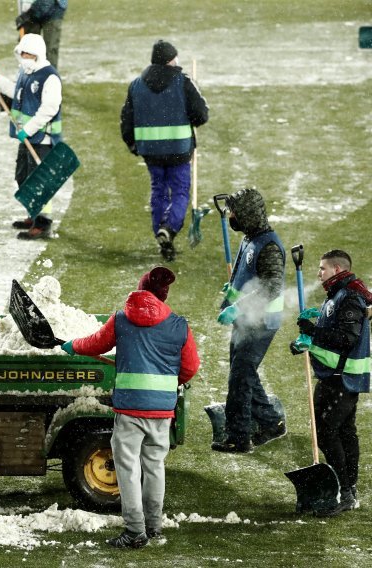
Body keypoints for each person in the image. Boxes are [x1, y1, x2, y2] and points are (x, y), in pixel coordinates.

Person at [61, 267, 200, 548]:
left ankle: (135, 531)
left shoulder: (122, 319)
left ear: (141, 288)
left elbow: (95, 344)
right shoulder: (179, 325)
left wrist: (72, 346)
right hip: (161, 412)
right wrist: (168, 380)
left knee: (127, 470)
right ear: (163, 294)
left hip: (129, 411)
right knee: (154, 468)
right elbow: (190, 368)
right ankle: (154, 526)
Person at [291, 250, 370, 516]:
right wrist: (311, 338)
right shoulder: (339, 293)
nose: (318, 272)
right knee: (345, 433)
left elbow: (345, 340)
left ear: (337, 269)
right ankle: (348, 490)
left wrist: (312, 333)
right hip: (335, 377)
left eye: (322, 268)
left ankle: (344, 491)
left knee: (327, 433)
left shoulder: (348, 296)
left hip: (342, 379)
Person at [212, 187, 286, 453]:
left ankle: (239, 437)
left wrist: (237, 306)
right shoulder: (250, 239)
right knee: (243, 371)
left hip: (261, 322)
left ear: (248, 215)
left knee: (239, 379)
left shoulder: (269, 248)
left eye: (234, 212)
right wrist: (233, 292)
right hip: (247, 319)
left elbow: (271, 288)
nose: (230, 216)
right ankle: (270, 422)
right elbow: (248, 277)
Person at [120, 40, 209, 261]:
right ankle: (169, 228)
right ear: (171, 60)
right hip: (179, 149)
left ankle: (161, 233)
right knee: (179, 191)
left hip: (150, 152)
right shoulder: (183, 81)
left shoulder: (137, 85)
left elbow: (126, 119)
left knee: (158, 190)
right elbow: (202, 114)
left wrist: (133, 144)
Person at [0, 33, 63, 240]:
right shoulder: (25, 73)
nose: (24, 57)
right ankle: (33, 214)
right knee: (23, 177)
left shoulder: (49, 77)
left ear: (38, 54)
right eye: (22, 53)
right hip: (26, 137)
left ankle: (43, 224)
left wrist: (31, 128)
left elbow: (50, 108)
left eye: (29, 54)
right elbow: (14, 90)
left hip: (41, 138)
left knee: (39, 183)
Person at [15, 0, 67, 69]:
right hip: (28, 8)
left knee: (51, 50)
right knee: (28, 48)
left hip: (54, 7)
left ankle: (50, 76)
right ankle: (27, 76)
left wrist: (28, 14)